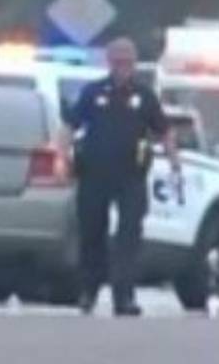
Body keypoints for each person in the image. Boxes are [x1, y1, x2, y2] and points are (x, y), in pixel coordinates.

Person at [62, 36, 181, 317]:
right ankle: (88, 292)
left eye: (127, 62)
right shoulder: (93, 93)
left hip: (131, 177)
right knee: (92, 233)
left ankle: (123, 296)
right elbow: (69, 126)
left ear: (135, 63)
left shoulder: (144, 96)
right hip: (94, 174)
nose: (122, 67)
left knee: (129, 236)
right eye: (117, 62)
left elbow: (164, 130)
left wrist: (175, 161)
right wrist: (60, 156)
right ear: (109, 62)